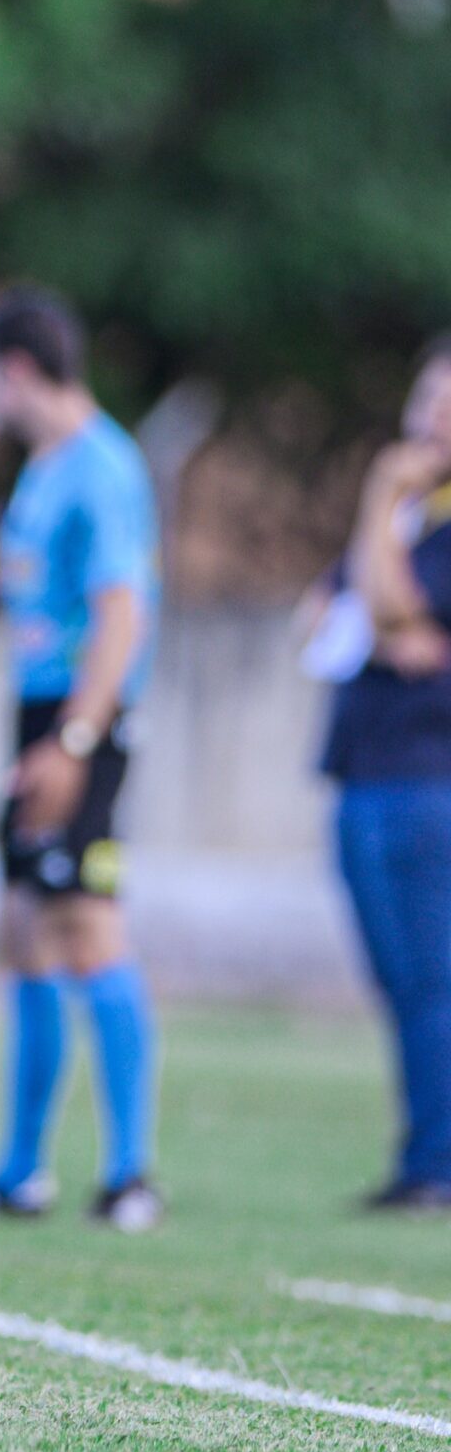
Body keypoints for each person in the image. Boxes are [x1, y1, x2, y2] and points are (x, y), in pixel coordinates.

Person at [0, 286, 163, 1232]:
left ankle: (130, 1178)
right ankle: (20, 1175)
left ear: (19, 369)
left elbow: (121, 614)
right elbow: (63, 594)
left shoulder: (105, 467)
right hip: (43, 712)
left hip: (84, 719)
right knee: (23, 929)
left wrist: (74, 742)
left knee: (85, 926)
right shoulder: (47, 467)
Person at [318, 339, 451, 1210]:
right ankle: (422, 1155)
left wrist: (377, 496)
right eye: (427, 396)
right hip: (362, 770)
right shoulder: (413, 519)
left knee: (432, 978)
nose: (432, 418)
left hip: (424, 778)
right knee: (399, 979)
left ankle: (437, 1164)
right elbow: (321, 617)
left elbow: (392, 607)